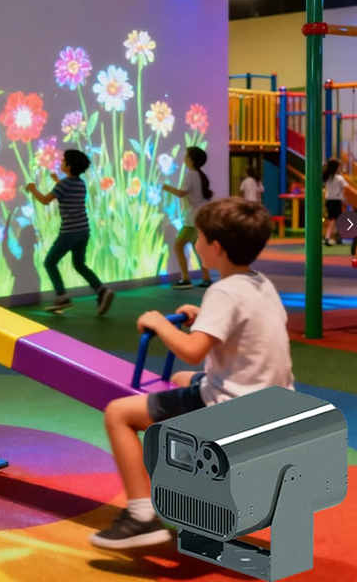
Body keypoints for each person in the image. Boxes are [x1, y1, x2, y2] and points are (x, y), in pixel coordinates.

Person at [90, 197, 294, 550]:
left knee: (118, 413)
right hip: (272, 400)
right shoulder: (260, 283)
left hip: (234, 408)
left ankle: (141, 516)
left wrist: (159, 323)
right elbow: (245, 329)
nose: (195, 243)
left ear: (216, 247)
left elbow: (192, 350)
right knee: (183, 378)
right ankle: (188, 472)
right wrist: (203, 318)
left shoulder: (222, 290)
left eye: (199, 237)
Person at [25, 149, 113, 315]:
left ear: (70, 166)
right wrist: (57, 181)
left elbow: (45, 200)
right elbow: (66, 191)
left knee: (50, 262)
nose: (61, 162)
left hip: (69, 232)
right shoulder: (80, 183)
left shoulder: (64, 185)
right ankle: (102, 290)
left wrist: (32, 188)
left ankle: (62, 297)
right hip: (83, 230)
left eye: (64, 160)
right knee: (79, 264)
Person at [162, 146, 213, 289]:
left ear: (191, 160)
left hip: (193, 219)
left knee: (178, 245)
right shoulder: (199, 174)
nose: (184, 158)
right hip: (199, 216)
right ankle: (206, 278)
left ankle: (185, 279)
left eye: (186, 156)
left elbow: (181, 193)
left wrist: (166, 187)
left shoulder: (190, 174)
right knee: (198, 248)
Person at [323, 157, 346, 246]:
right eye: (339, 167)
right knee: (333, 220)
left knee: (333, 219)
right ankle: (328, 237)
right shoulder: (339, 178)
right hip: (336, 201)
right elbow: (345, 187)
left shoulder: (327, 178)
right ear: (336, 168)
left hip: (329, 201)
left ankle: (336, 237)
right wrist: (344, 199)